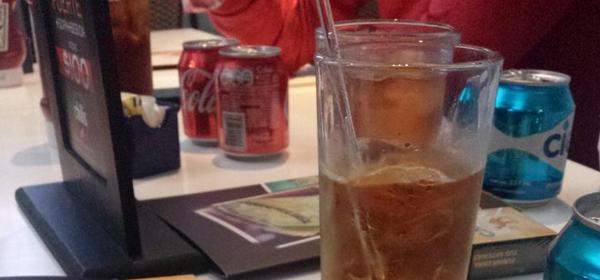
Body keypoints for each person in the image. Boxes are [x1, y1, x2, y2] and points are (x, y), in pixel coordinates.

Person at [188, 0, 598, 168]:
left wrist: (356, 47)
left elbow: (418, 80)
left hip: (526, 209)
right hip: (395, 174)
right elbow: (305, 36)